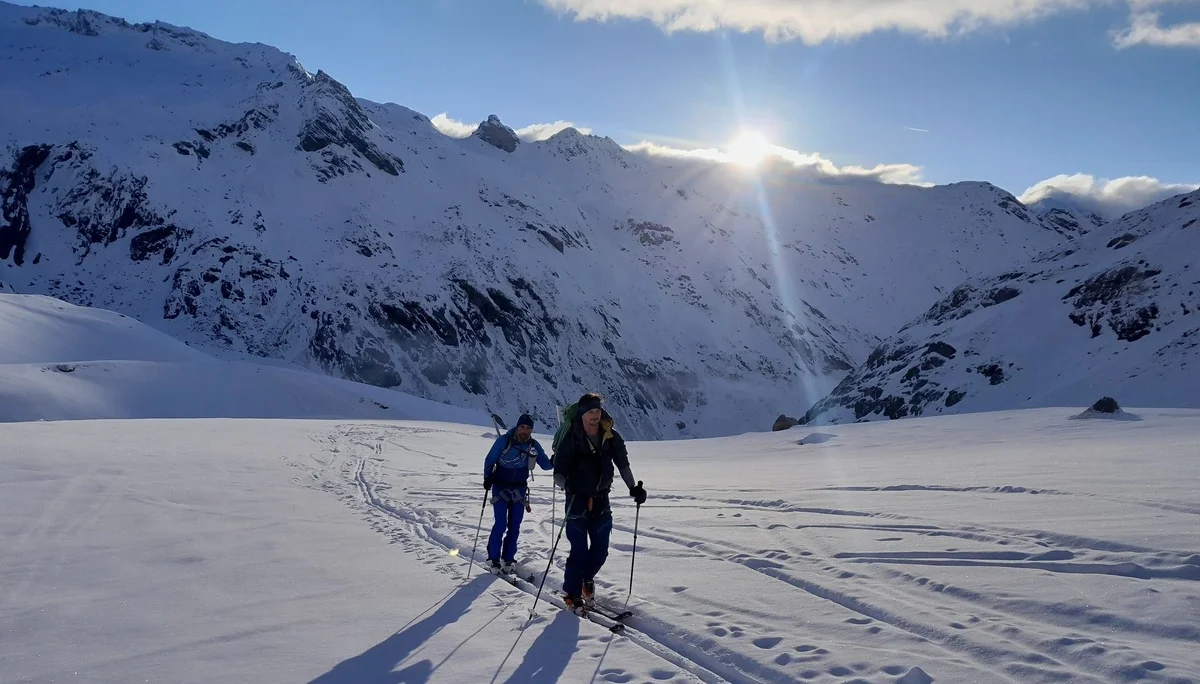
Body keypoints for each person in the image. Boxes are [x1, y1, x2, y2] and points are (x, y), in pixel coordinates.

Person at [552, 392, 647, 609]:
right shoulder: (571, 439)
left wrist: (634, 488)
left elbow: (623, 464)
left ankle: (586, 579)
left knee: (600, 550)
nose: (595, 415)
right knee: (579, 551)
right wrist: (567, 485)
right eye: (591, 412)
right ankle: (572, 593)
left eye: (597, 411)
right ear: (582, 414)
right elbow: (558, 472)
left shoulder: (610, 436)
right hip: (576, 500)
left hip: (601, 500)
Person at [483, 413, 552, 573]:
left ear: (532, 430)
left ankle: (508, 559)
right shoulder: (504, 441)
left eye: (528, 428)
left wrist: (556, 460)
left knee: (514, 526)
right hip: (500, 487)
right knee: (500, 524)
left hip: (520, 490)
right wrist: (487, 478)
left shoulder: (533, 445)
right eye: (522, 427)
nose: (525, 431)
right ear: (517, 426)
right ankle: (493, 558)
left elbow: (546, 465)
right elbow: (490, 460)